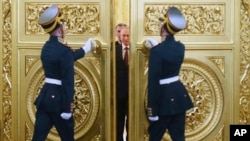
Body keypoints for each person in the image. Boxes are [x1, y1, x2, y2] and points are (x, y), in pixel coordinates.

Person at [32, 5, 95, 141]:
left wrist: (85, 49)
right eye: (64, 25)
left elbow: (65, 58)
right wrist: (67, 108)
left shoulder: (46, 48)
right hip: (60, 103)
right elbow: (68, 82)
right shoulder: (64, 51)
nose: (65, 28)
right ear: (60, 28)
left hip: (46, 98)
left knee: (37, 138)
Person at [146, 6, 194, 141]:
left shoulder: (156, 52)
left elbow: (153, 82)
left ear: (163, 28)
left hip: (163, 101)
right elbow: (169, 55)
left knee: (154, 137)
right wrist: (158, 47)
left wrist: (152, 110)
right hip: (179, 96)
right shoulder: (180, 47)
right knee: (179, 137)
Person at [116, 26, 130, 141]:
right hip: (118, 93)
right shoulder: (114, 51)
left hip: (132, 92)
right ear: (120, 36)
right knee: (119, 120)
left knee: (131, 120)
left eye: (128, 35)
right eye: (123, 35)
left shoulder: (136, 51)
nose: (126, 38)